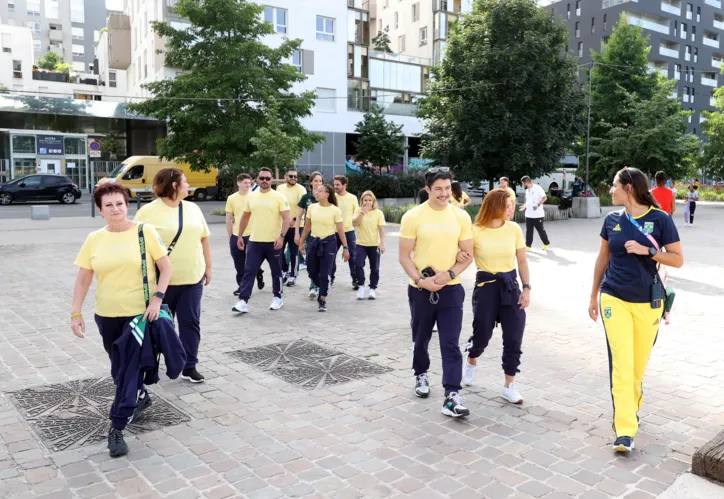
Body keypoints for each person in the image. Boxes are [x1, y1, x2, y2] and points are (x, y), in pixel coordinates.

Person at [72, 183, 173, 457]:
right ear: (100, 210)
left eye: (120, 203)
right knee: (119, 369)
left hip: (138, 317)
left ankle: (116, 427)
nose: (115, 209)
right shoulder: (94, 238)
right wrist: (76, 312)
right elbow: (83, 278)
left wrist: (157, 299)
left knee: (127, 372)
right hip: (105, 316)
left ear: (126, 204)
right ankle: (140, 394)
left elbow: (166, 267)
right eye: (109, 205)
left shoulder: (144, 232)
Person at [588, 167, 683, 453]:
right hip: (613, 296)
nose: (611, 190)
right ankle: (625, 430)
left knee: (636, 368)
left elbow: (677, 260)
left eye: (614, 186)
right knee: (621, 364)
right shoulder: (612, 219)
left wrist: (649, 251)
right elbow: (602, 259)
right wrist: (594, 295)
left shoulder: (660, 219)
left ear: (629, 188)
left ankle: (631, 408)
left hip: (648, 303)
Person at [399, 168, 475, 418]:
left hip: (451, 291)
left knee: (450, 343)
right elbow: (404, 256)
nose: (445, 193)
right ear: (428, 189)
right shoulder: (413, 216)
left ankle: (451, 395)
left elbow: (467, 256)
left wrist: (450, 274)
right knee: (421, 339)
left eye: (448, 188)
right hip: (421, 291)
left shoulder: (461, 217)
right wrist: (421, 281)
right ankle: (421, 375)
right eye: (439, 188)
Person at [135, 168, 212, 384]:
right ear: (174, 186)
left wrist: (208, 268)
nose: (189, 185)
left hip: (192, 278)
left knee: (191, 323)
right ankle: (153, 366)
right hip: (161, 283)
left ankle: (189, 365)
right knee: (160, 327)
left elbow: (204, 239)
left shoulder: (193, 208)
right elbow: (140, 248)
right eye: (185, 182)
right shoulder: (148, 212)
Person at [458, 189, 531, 404]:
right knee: (482, 335)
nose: (511, 210)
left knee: (514, 337)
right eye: (507, 205)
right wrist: (458, 254)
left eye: (512, 205)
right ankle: (471, 359)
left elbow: (523, 260)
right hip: (486, 287)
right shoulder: (475, 230)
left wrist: (526, 288)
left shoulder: (514, 229)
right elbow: (463, 254)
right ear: (495, 206)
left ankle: (510, 386)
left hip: (510, 287)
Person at [233, 168, 291, 313]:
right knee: (249, 271)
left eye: (267, 178)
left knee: (276, 271)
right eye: (262, 178)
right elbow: (244, 218)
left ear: (271, 180)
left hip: (274, 242)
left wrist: (282, 236)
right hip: (254, 241)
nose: (264, 181)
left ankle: (278, 297)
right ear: (257, 180)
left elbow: (287, 218)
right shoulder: (251, 197)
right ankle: (243, 301)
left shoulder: (279, 197)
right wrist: (239, 236)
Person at [299, 185, 350, 312]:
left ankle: (322, 299)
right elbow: (307, 227)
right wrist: (301, 242)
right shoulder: (311, 208)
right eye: (316, 190)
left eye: (320, 191)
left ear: (327, 194)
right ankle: (323, 286)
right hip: (314, 241)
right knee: (311, 270)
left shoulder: (335, 210)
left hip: (329, 243)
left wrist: (345, 247)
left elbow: (341, 231)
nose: (316, 192)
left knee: (324, 272)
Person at [225, 174, 265, 297]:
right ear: (238, 183)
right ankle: (242, 285)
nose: (248, 185)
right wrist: (231, 235)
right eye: (245, 183)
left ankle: (255, 275)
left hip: (253, 235)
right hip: (237, 235)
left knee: (251, 262)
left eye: (249, 183)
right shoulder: (232, 198)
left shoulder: (254, 197)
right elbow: (229, 218)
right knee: (239, 262)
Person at [352, 190, 386, 300]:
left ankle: (372, 288)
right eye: (365, 200)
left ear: (373, 201)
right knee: (358, 265)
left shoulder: (378, 213)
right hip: (361, 244)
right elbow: (354, 223)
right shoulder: (358, 210)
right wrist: (363, 212)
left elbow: (381, 230)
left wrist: (382, 243)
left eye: (369, 200)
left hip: (374, 244)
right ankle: (361, 286)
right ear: (361, 201)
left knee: (375, 268)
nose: (367, 202)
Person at [276, 168, 307, 287]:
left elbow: (303, 207)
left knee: (294, 252)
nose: (293, 178)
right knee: (278, 249)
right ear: (285, 176)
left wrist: (294, 220)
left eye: (295, 176)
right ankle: (284, 270)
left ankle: (293, 275)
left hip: (296, 226)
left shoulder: (301, 189)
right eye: (291, 176)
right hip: (282, 225)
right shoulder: (280, 188)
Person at [296, 171, 324, 298]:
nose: (318, 183)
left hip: (323, 234)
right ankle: (314, 285)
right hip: (309, 234)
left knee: (321, 260)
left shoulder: (326, 197)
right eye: (316, 180)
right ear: (311, 182)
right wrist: (297, 234)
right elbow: (299, 216)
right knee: (311, 260)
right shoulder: (305, 198)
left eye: (320, 181)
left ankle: (317, 285)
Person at [331, 175, 359, 289]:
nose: (335, 187)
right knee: (331, 255)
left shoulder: (352, 198)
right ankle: (330, 277)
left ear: (344, 185)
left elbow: (356, 214)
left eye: (338, 185)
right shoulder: (331, 197)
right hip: (334, 232)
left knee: (352, 256)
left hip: (348, 231)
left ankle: (355, 279)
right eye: (334, 185)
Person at [519, 176, 550, 250]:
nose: (523, 185)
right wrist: (524, 206)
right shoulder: (527, 191)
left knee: (540, 230)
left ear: (526, 182)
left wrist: (538, 205)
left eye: (523, 183)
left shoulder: (538, 188)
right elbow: (528, 201)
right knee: (528, 231)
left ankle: (546, 244)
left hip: (538, 215)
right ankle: (528, 246)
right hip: (528, 215)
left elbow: (544, 197)